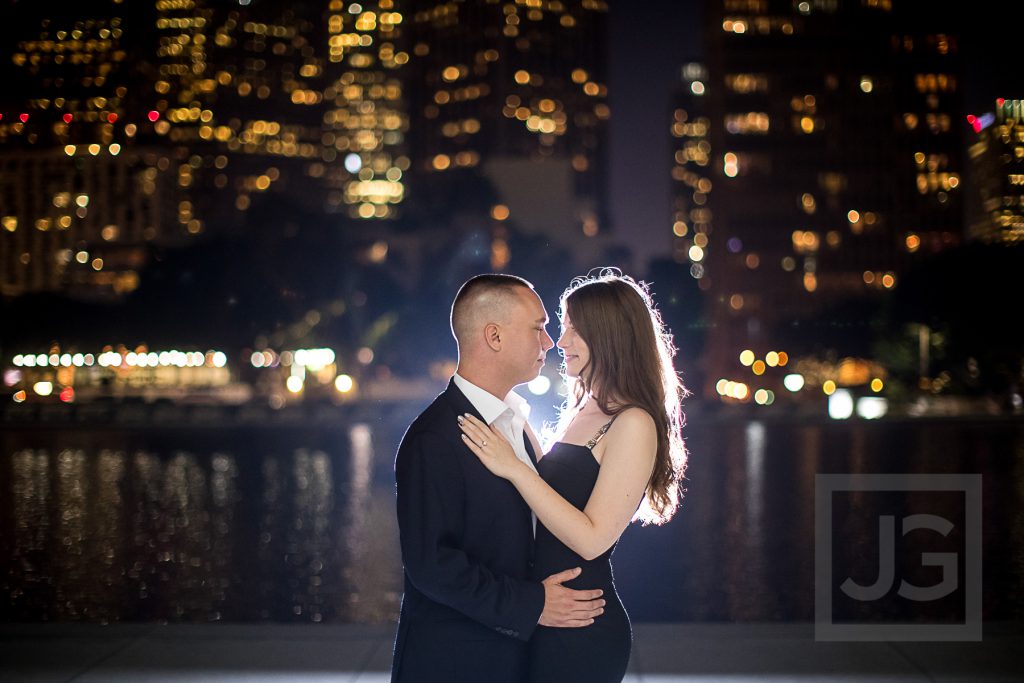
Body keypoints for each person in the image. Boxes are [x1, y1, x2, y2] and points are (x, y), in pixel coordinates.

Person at [458, 270, 687, 682]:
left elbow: (592, 538)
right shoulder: (586, 408)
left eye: (573, 331)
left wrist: (511, 466)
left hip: (582, 626)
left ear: (609, 336)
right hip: (545, 614)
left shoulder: (633, 421)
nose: (561, 343)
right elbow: (555, 488)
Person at [392, 274, 607, 683]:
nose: (549, 343)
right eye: (538, 328)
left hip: (517, 660)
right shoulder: (433, 437)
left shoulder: (517, 422)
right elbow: (431, 565)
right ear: (494, 336)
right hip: (454, 665)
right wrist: (534, 605)